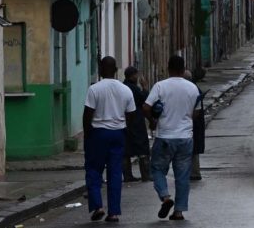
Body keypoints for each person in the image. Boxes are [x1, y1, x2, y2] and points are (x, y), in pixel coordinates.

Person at [144, 55, 202, 221]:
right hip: (185, 138)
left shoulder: (160, 86)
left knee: (157, 169)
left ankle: (165, 197)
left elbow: (146, 107)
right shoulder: (193, 88)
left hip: (165, 137)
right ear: (184, 70)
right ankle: (179, 211)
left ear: (168, 68)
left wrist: (153, 122)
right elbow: (196, 113)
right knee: (183, 176)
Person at [83, 56, 135, 223]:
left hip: (98, 133)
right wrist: (124, 130)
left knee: (93, 170)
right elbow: (131, 115)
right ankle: (113, 213)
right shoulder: (126, 90)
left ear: (100, 69)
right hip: (118, 133)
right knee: (114, 173)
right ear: (116, 70)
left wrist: (87, 135)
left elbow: (87, 115)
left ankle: (98, 206)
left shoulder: (94, 89)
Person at [122, 66, 150, 183]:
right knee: (142, 148)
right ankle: (146, 175)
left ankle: (128, 175)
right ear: (132, 76)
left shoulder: (123, 87)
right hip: (136, 121)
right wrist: (145, 88)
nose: (138, 77)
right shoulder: (133, 88)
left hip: (124, 121)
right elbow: (144, 100)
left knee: (126, 149)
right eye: (136, 75)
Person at [183, 69, 205, 182]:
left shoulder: (192, 89)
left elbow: (195, 111)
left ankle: (194, 172)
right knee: (192, 149)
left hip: (193, 124)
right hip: (193, 124)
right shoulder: (193, 88)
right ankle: (193, 171)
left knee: (193, 149)